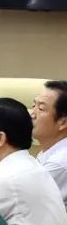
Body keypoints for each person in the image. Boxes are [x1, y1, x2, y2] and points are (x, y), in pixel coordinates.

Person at [33, 80, 67, 208]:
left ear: (63, 122)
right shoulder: (51, 150)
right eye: (33, 105)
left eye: (41, 108)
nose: (32, 114)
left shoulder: (59, 163)